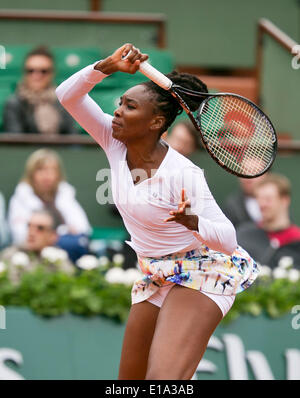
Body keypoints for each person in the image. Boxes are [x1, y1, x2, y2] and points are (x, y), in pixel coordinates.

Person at [56, 43, 258, 380]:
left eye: (130, 106)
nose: (117, 111)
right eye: (120, 103)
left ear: (156, 122)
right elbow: (67, 96)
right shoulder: (112, 138)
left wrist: (193, 221)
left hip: (203, 268)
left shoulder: (183, 174)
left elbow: (228, 239)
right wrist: (106, 66)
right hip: (155, 272)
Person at [8, 148, 91, 262]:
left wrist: (50, 234)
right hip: (30, 254)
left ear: (58, 174)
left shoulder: (65, 193)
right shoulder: (21, 197)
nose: (47, 175)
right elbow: (20, 235)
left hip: (63, 251)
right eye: (41, 170)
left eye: (52, 170)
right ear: (31, 174)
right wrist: (58, 233)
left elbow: (83, 228)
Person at [3, 46, 77, 135]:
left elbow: (73, 139)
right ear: (24, 73)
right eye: (31, 71)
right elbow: (16, 142)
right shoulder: (15, 103)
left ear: (52, 73)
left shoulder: (63, 102)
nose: (36, 76)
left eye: (43, 71)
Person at [236, 173, 300, 268]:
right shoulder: (244, 235)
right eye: (259, 199)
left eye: (268, 199)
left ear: (284, 200)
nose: (262, 204)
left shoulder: (296, 239)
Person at [1, 209, 75, 284]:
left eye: (40, 228)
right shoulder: (10, 255)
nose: (31, 232)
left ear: (53, 236)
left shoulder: (59, 259)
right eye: (29, 226)